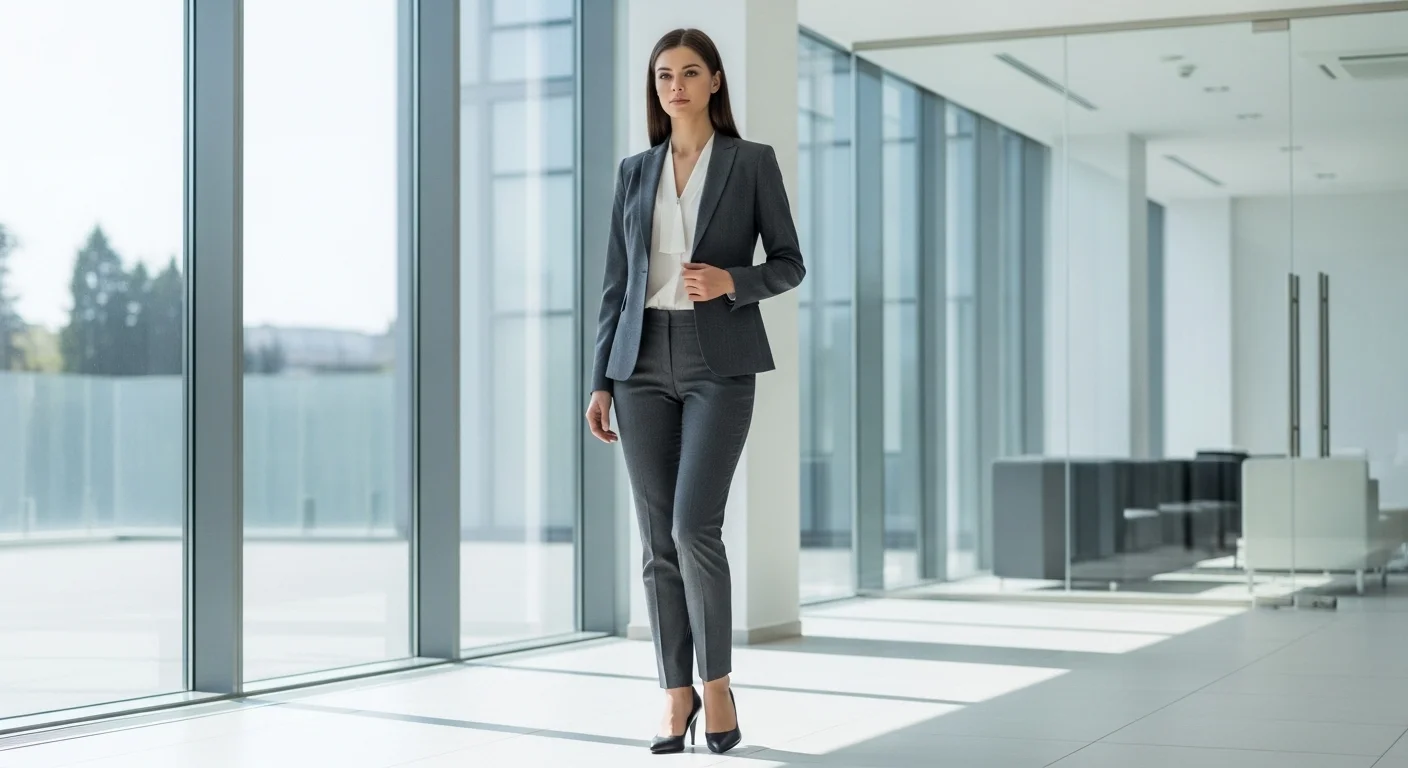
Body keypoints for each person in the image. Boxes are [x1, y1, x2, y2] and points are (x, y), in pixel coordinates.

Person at [583, 27, 805, 756]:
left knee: (691, 529)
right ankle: (673, 691)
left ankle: (717, 684)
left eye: (688, 73)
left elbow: (790, 263)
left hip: (719, 365)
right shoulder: (633, 172)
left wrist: (733, 281)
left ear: (714, 82)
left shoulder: (750, 163)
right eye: (662, 75)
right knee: (655, 539)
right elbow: (617, 284)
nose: (673, 85)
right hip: (638, 362)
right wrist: (600, 383)